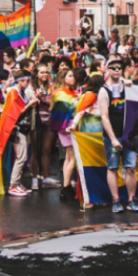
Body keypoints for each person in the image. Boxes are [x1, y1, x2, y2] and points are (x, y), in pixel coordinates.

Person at [98, 59, 138, 213]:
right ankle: (115, 200)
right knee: (113, 167)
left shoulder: (127, 87)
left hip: (129, 136)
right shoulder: (104, 91)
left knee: (131, 167)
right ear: (107, 70)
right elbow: (104, 117)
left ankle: (132, 199)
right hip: (113, 137)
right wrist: (113, 139)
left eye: (119, 68)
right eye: (113, 68)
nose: (116, 70)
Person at [7, 70, 39, 196]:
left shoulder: (22, 92)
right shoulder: (13, 92)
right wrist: (29, 105)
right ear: (20, 81)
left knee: (22, 157)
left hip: (24, 127)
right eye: (27, 81)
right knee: (21, 157)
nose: (29, 83)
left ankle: (17, 183)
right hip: (17, 128)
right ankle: (13, 185)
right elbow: (14, 112)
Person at [50, 68, 80, 200]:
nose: (73, 78)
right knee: (72, 158)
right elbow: (68, 108)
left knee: (69, 158)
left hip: (65, 127)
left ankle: (65, 186)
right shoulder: (62, 93)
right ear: (63, 79)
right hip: (67, 127)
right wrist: (78, 100)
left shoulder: (70, 92)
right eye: (70, 76)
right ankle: (66, 188)